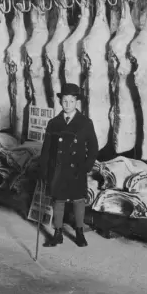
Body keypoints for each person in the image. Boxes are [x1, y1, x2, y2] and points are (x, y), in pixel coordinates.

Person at [38, 83, 98, 248]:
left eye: (71, 101)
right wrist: (43, 170)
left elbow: (93, 148)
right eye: (65, 101)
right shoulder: (53, 123)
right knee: (59, 200)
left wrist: (86, 167)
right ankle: (57, 234)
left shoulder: (85, 122)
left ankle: (79, 233)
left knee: (78, 200)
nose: (68, 104)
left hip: (77, 168)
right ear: (60, 102)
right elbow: (46, 150)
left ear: (76, 102)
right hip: (58, 168)